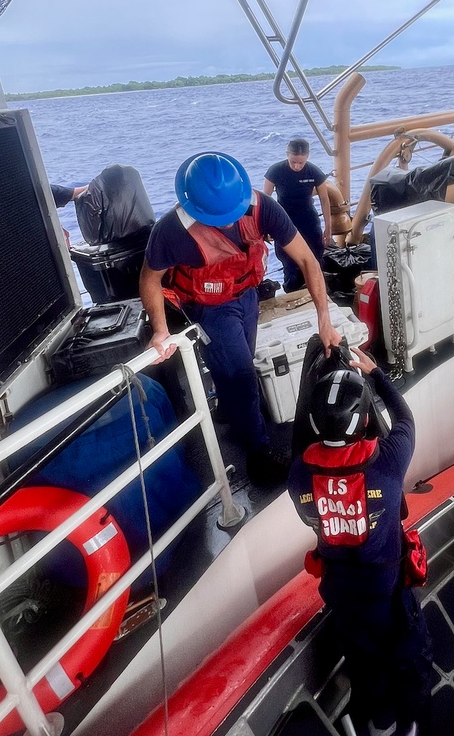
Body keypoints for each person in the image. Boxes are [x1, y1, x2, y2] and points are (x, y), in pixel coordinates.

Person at [141, 151, 340, 480]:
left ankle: (227, 409)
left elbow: (308, 261)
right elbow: (150, 278)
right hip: (208, 308)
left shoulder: (264, 208)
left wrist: (325, 322)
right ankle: (258, 454)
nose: (230, 221)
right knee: (243, 377)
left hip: (247, 295)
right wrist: (160, 329)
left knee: (239, 364)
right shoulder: (172, 231)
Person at [288, 345, 433, 736]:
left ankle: (376, 715)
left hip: (341, 591)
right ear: (366, 419)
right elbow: (405, 418)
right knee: (409, 652)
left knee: (363, 658)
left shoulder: (299, 477)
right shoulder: (388, 462)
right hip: (387, 591)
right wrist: (376, 376)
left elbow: (303, 446)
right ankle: (414, 720)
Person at [263, 138, 332, 293]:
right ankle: (293, 294)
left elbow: (325, 200)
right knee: (290, 265)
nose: (297, 166)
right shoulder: (275, 171)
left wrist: (328, 228)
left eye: (301, 163)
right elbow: (265, 200)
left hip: (308, 221)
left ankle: (319, 293)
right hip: (284, 222)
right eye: (293, 162)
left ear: (307, 157)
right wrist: (265, 229)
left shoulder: (314, 172)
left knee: (315, 260)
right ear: (287, 155)